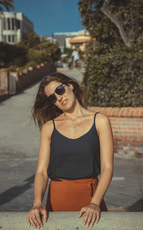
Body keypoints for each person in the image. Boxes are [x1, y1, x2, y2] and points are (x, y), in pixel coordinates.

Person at [26, 72, 114, 228]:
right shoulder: (49, 128)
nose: (59, 97)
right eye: (52, 98)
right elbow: (41, 172)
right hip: (57, 199)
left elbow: (107, 168)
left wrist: (94, 203)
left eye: (59, 90)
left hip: (91, 197)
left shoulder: (100, 121)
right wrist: (37, 203)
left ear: (70, 86)